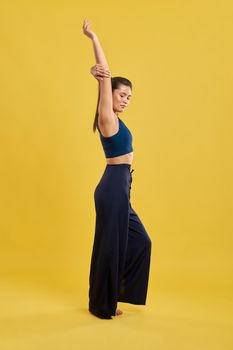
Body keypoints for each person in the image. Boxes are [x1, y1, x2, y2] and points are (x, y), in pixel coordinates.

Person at [83, 19, 152, 320]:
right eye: (122, 94)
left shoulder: (118, 120)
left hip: (121, 186)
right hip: (113, 186)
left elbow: (107, 78)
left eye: (129, 97)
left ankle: (112, 294)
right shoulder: (106, 116)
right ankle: (103, 306)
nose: (125, 100)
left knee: (140, 241)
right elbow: (105, 74)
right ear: (110, 94)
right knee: (110, 246)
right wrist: (94, 38)